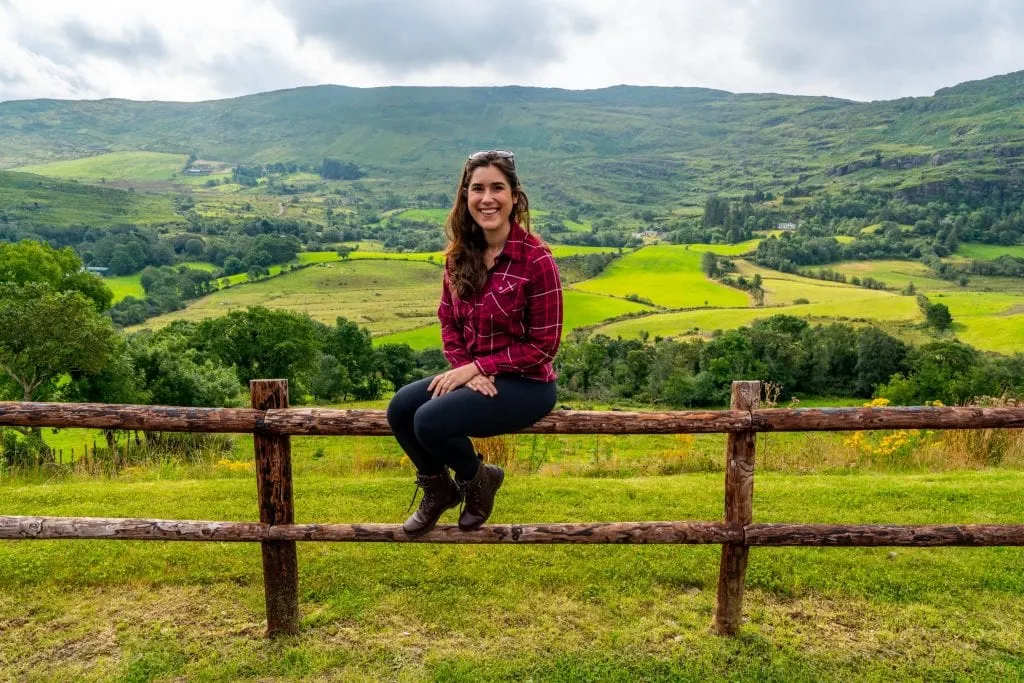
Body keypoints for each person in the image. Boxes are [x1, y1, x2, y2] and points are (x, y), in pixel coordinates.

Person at [386, 150, 563, 536]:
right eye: (477, 188)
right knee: (401, 408)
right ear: (465, 196)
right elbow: (448, 321)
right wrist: (466, 368)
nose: (487, 198)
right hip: (473, 374)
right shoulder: (459, 256)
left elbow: (544, 345)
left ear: (514, 196)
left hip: (527, 383)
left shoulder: (537, 260)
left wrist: (481, 367)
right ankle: (440, 488)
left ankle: (477, 481)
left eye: (497, 188)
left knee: (428, 420)